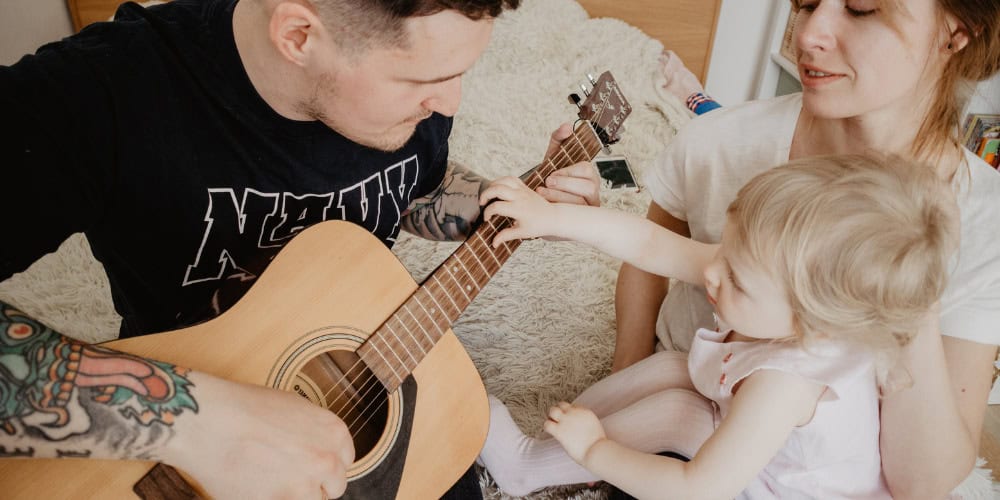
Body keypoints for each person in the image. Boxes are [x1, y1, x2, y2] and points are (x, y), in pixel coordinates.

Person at [0, 0, 602, 498]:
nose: (451, 103)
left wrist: (507, 206)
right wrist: (196, 421)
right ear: (298, 34)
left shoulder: (416, 112)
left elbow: (417, 186)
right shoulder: (101, 95)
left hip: (368, 375)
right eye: (424, 80)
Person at [614, 1, 1000, 496]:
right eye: (806, 3)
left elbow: (922, 484)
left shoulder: (984, 220)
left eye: (861, 9)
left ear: (955, 33)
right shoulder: (720, 141)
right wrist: (624, 387)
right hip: (692, 421)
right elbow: (648, 257)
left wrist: (912, 289)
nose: (808, 33)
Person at [476, 154, 958, 498]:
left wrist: (598, 450)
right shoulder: (770, 279)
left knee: (683, 415)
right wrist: (552, 217)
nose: (710, 271)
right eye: (726, 250)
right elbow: (651, 246)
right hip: (753, 450)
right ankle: (556, 447)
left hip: (759, 486)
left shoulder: (785, 386)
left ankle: (526, 468)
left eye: (738, 281)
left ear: (815, 327)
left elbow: (696, 487)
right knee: (677, 367)